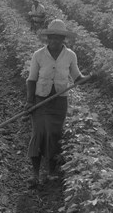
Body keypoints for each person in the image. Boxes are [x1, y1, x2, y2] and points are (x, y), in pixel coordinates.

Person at [24, 19, 91, 188]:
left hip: (59, 102)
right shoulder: (38, 55)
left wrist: (89, 78)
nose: (54, 41)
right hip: (41, 100)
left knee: (54, 135)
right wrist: (29, 101)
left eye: (58, 38)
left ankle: (51, 172)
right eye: (52, 38)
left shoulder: (70, 55)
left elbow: (77, 78)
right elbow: (31, 79)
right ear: (47, 38)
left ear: (63, 39)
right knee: (38, 134)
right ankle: (35, 174)